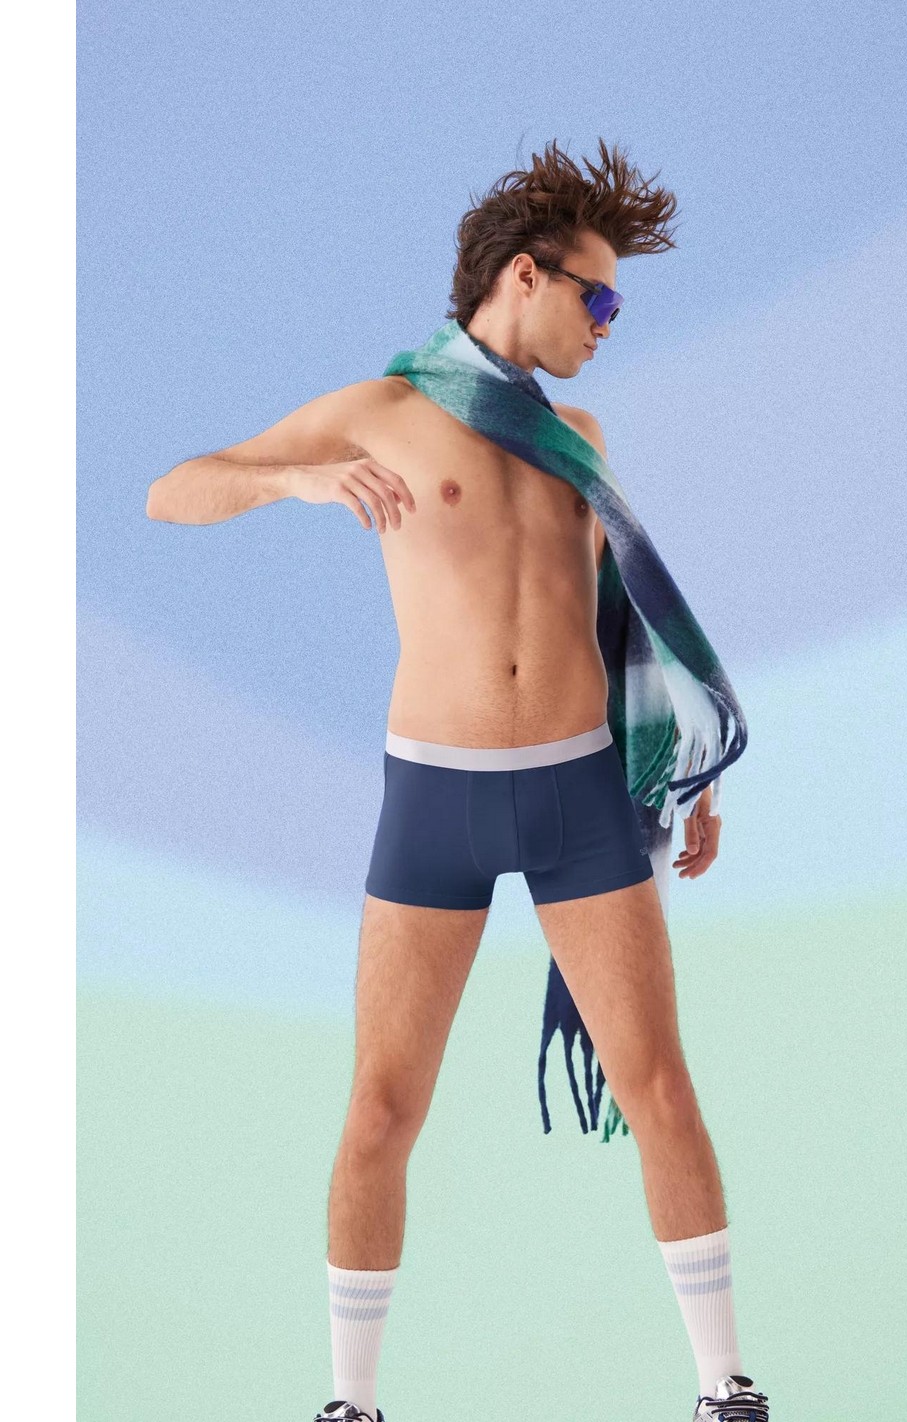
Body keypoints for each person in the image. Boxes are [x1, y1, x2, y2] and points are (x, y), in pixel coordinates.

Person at [146, 138, 769, 1422]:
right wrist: (297, 479)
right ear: (523, 276)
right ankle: (351, 1403)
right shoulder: (377, 411)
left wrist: (685, 774)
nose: (608, 324)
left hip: (580, 794)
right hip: (434, 797)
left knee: (658, 1086)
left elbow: (625, 621)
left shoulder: (577, 436)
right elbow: (172, 491)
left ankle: (725, 1388)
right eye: (597, 296)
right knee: (381, 1108)